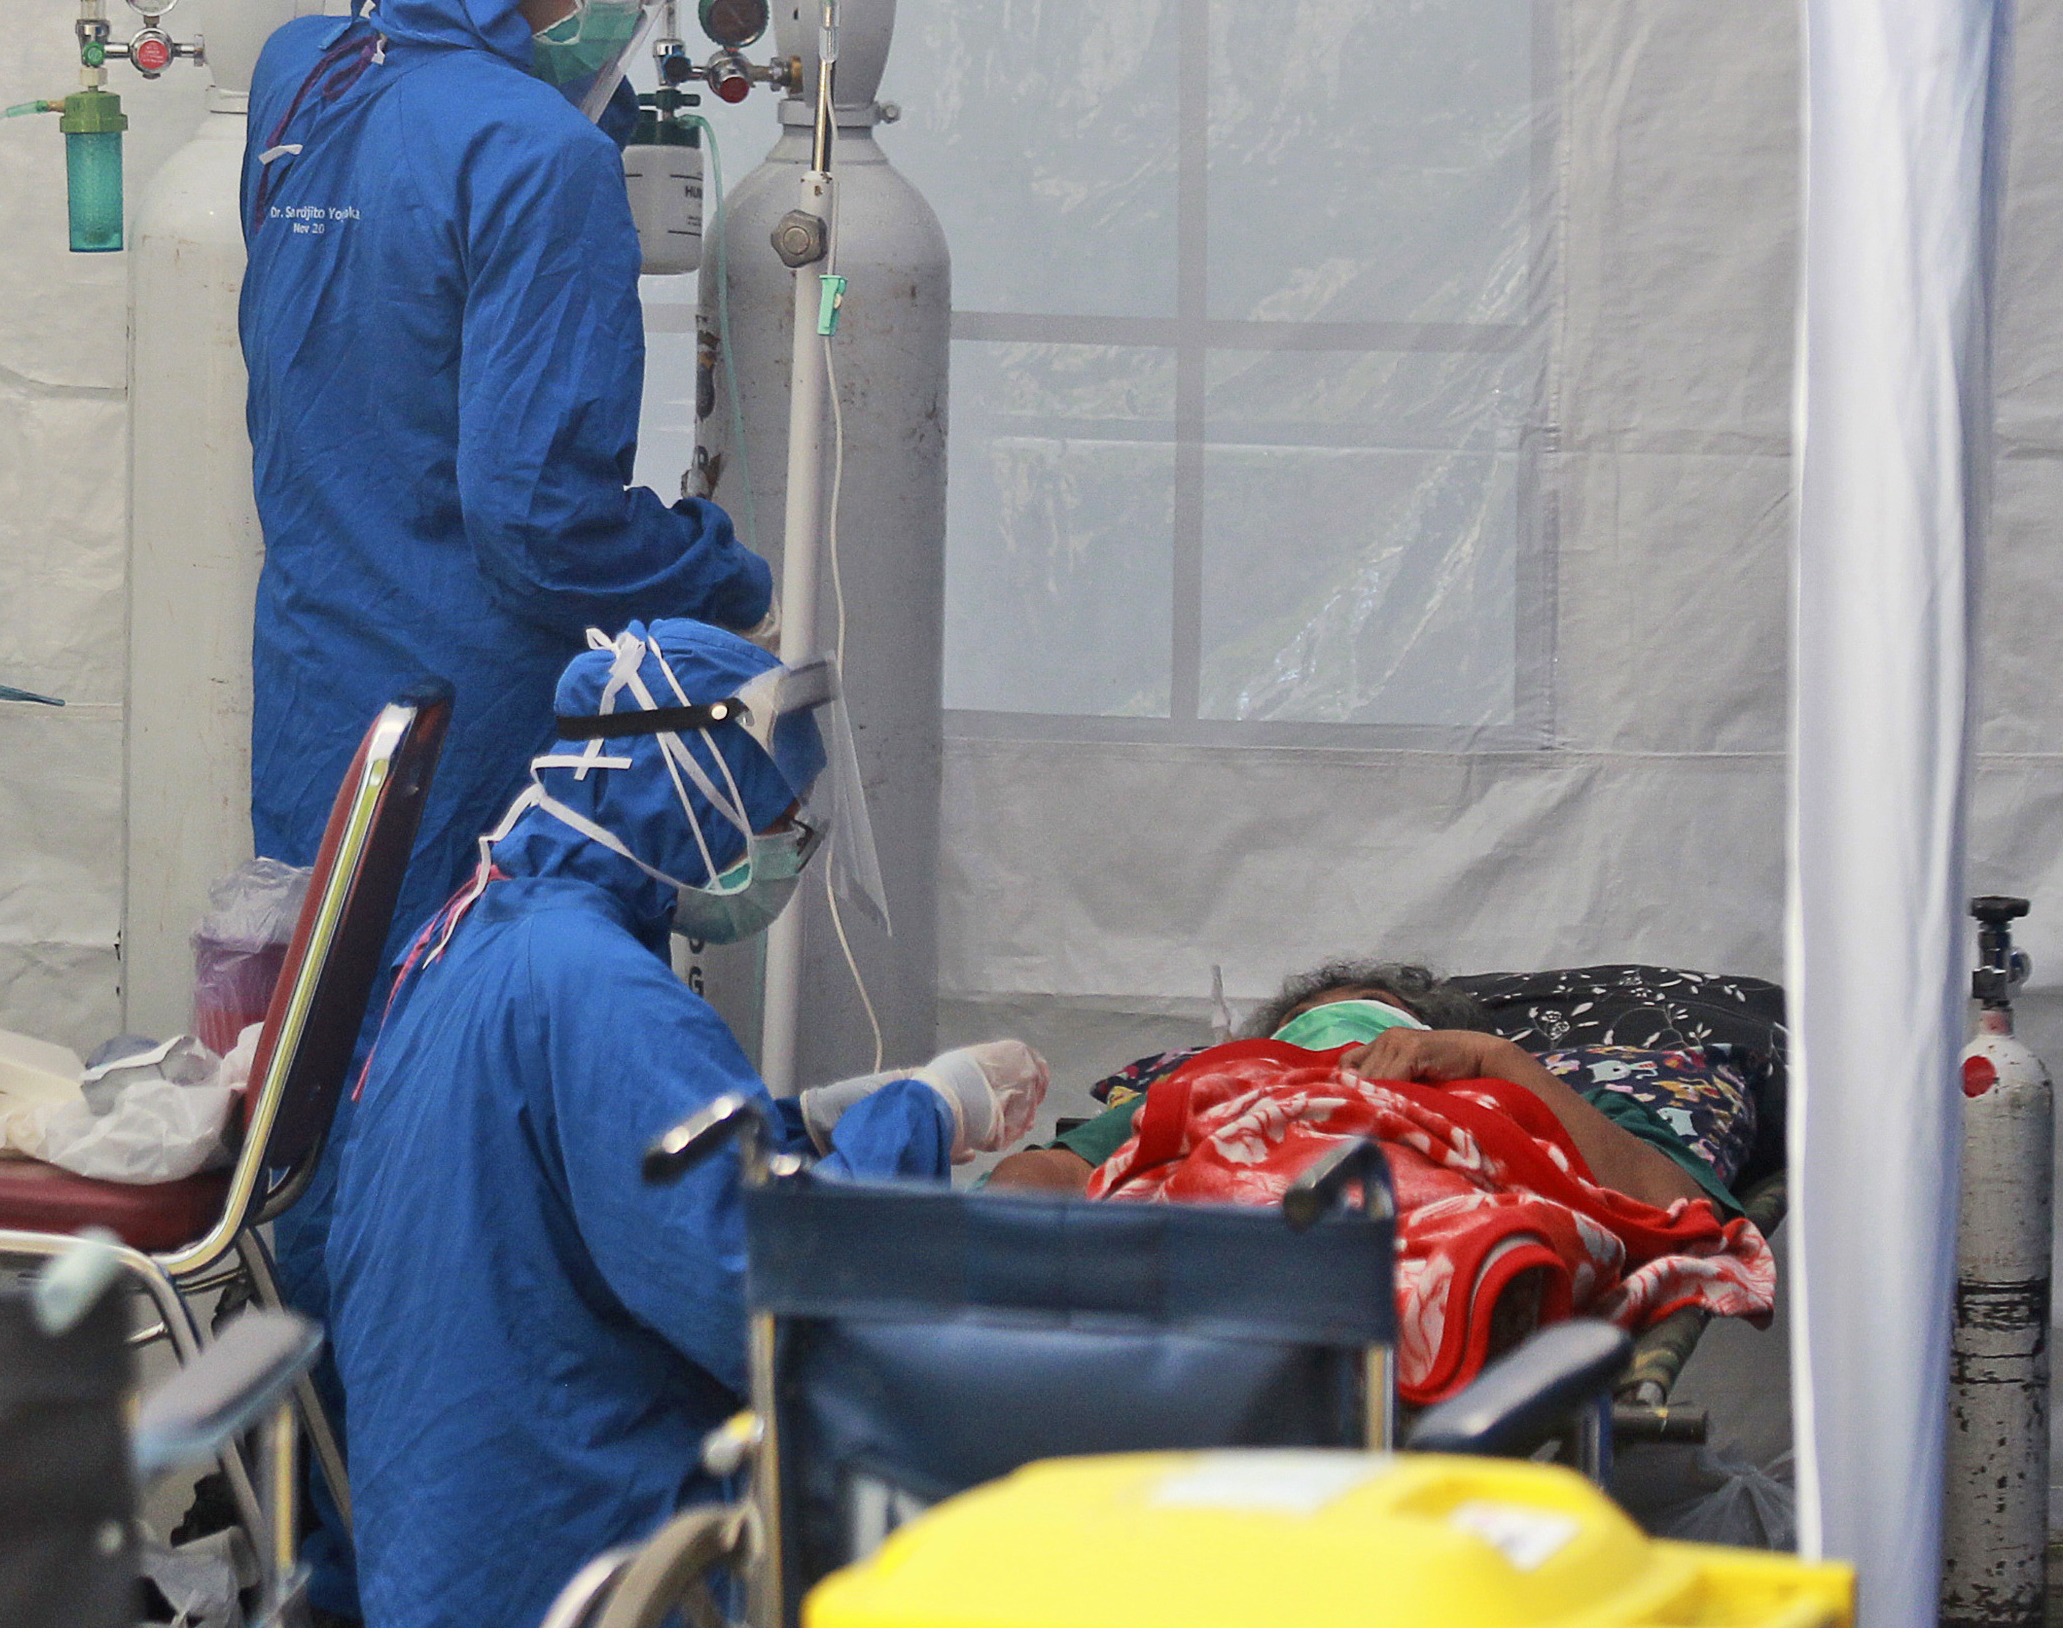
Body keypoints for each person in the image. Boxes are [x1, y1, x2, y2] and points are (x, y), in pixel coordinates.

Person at [322, 620, 1045, 1628]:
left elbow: (599, 1184)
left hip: (451, 1540)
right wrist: (924, 1115)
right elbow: (764, 1290)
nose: (791, 836)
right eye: (779, 811)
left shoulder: (481, 932)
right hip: (583, 1545)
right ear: (686, 789)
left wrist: (811, 1123)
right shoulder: (599, 988)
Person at [242, 0, 780, 961]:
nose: (638, 11)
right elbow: (538, 520)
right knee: (446, 1052)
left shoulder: (304, 77)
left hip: (317, 687)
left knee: (317, 1054)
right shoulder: (541, 159)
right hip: (464, 718)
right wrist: (719, 575)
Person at [981, 959, 1733, 1210]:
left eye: (1368, 1022)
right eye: (1307, 1028)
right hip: (1214, 1252)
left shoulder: (1519, 1086)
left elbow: (1676, 1206)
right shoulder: (1212, 1080)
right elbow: (1048, 1174)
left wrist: (1498, 1064)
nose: (1333, 1044)